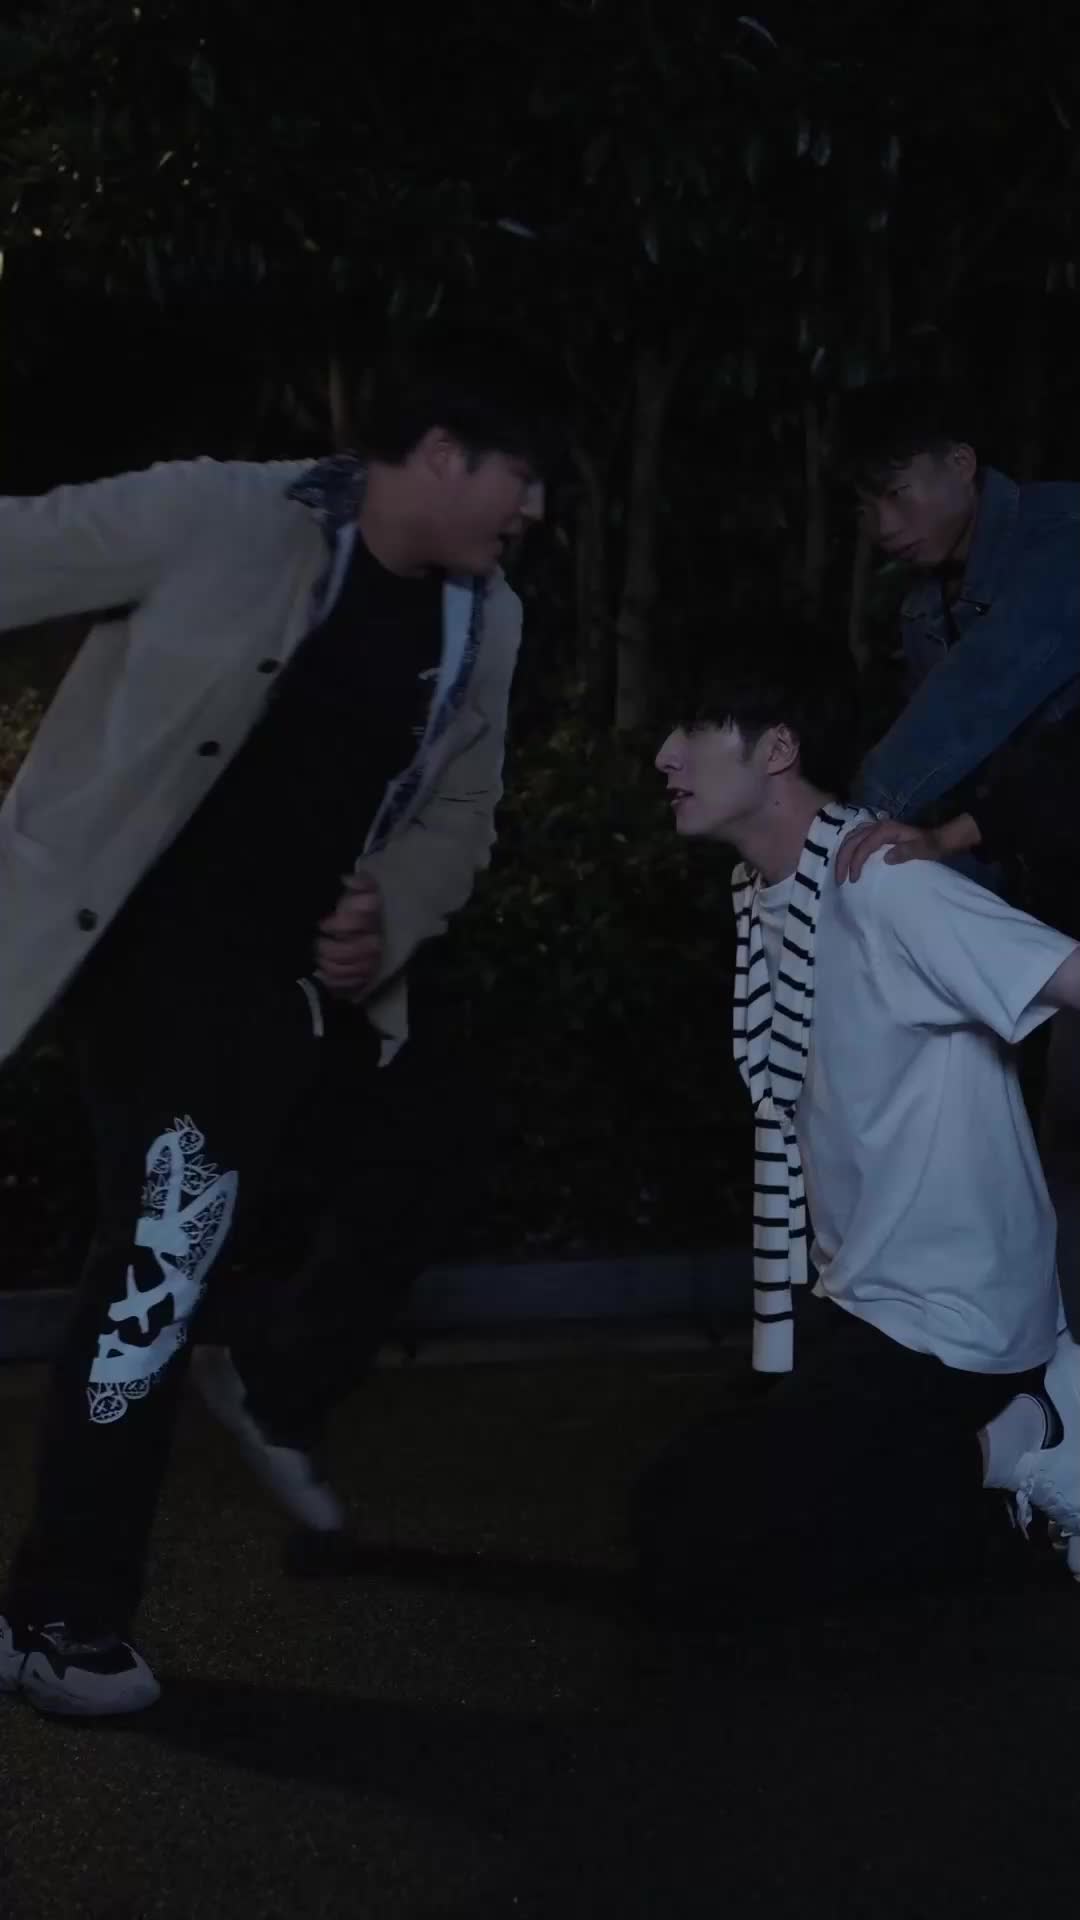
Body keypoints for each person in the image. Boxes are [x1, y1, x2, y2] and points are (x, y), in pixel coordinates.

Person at [0, 327, 559, 1716]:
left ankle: (272, 1372)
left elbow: (461, 814)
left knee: (445, 1142)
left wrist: (393, 910)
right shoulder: (220, 515)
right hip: (150, 961)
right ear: (443, 457)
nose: (535, 509)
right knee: (158, 1258)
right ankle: (60, 1621)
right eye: (524, 477)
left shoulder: (484, 618)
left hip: (303, 987)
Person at [635, 625, 1080, 1627]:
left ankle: (1024, 1436)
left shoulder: (885, 885)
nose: (665, 755)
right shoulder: (766, 895)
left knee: (708, 1545)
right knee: (679, 1514)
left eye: (695, 727)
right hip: (860, 1309)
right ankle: (985, 1463)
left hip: (957, 1327)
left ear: (778, 748)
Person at [831, 377, 1080, 1330]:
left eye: (898, 495)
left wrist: (833, 837)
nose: (883, 527)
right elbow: (955, 783)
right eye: (866, 507)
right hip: (1042, 889)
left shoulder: (1061, 540)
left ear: (962, 466)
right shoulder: (922, 606)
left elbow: (979, 711)